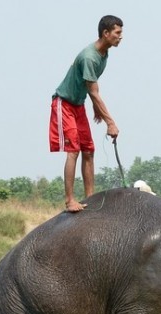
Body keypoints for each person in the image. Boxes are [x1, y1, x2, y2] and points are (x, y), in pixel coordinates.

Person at [49, 15, 123, 212]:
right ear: (105, 33)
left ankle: (90, 198)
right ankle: (69, 200)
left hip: (78, 104)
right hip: (64, 103)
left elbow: (91, 86)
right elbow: (94, 92)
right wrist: (110, 122)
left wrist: (96, 109)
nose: (120, 37)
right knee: (73, 150)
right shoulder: (90, 57)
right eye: (117, 32)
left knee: (88, 149)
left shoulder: (104, 55)